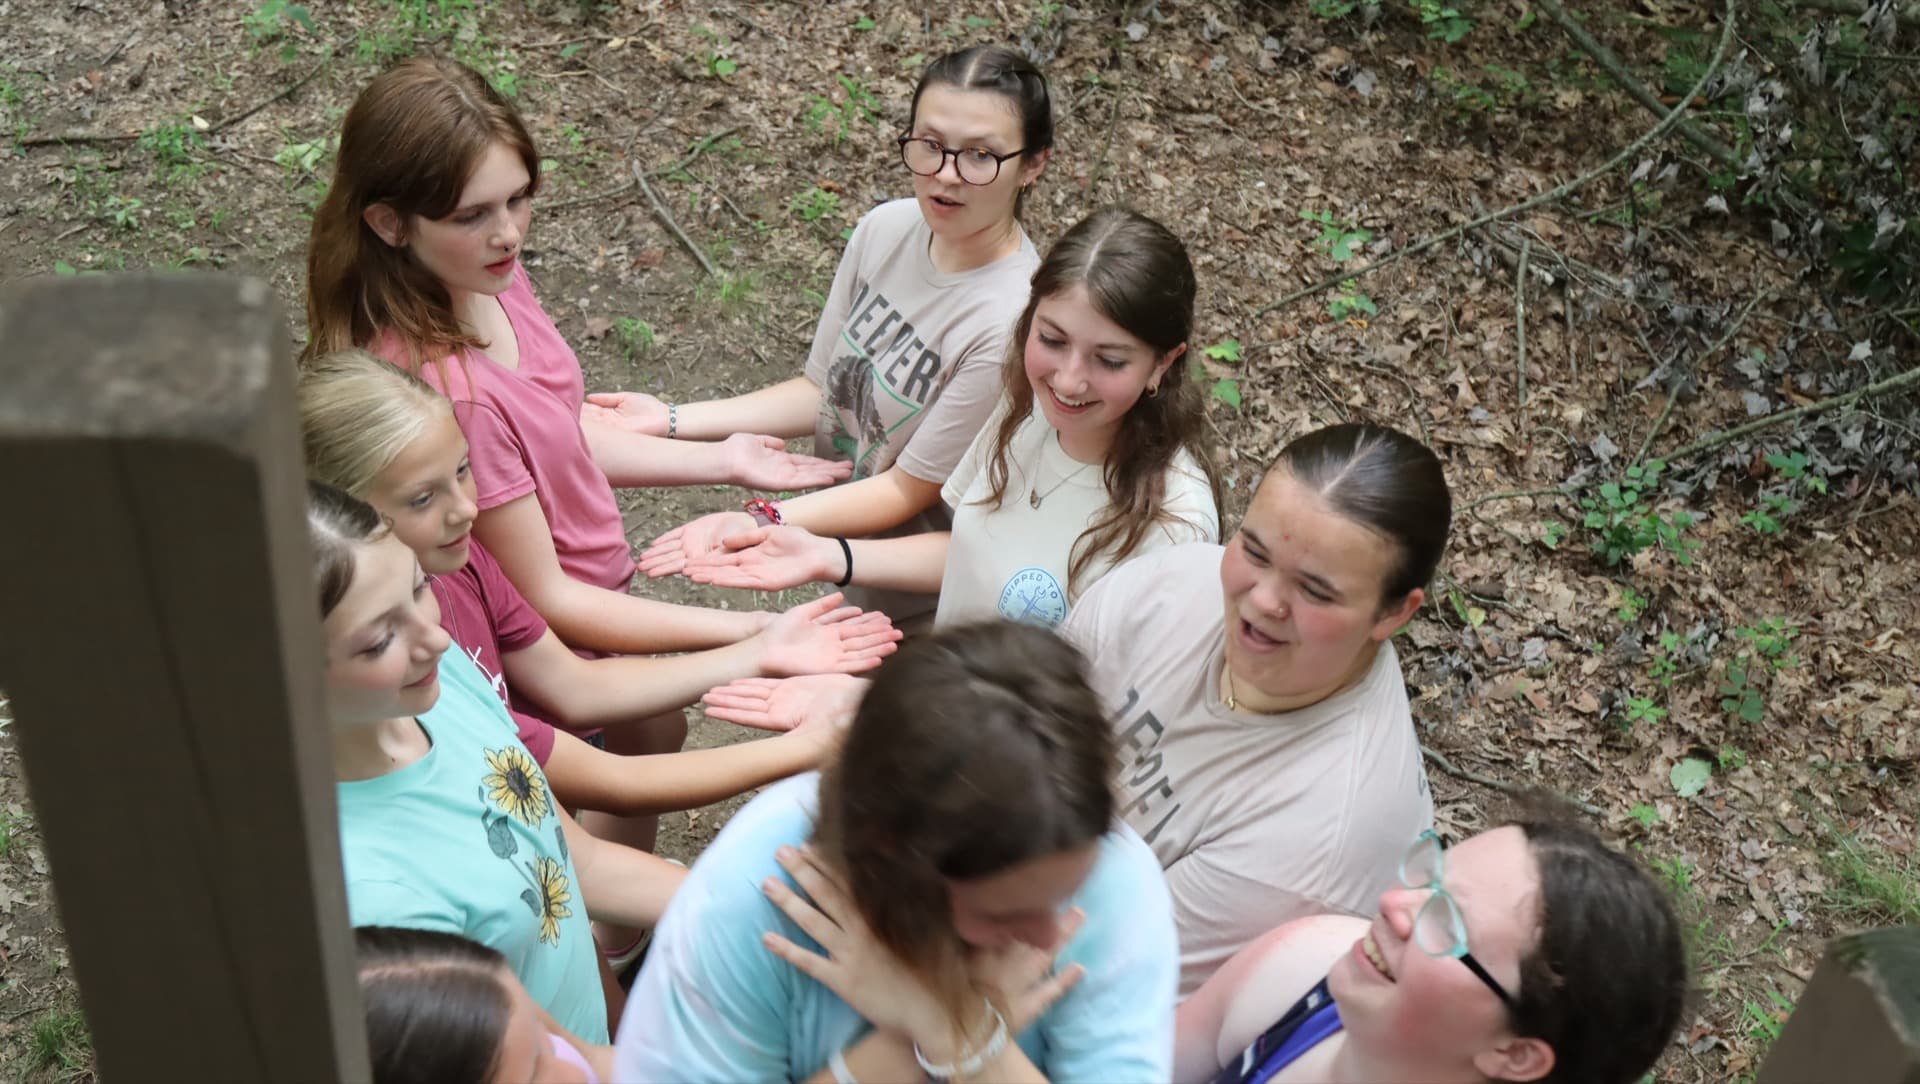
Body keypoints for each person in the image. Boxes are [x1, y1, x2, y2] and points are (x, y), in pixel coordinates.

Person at [699, 423, 1449, 998]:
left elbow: (1101, 988)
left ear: (1394, 612)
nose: (1261, 601)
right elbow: (1021, 732)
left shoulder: (1316, 838)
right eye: (1253, 551)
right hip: (1012, 893)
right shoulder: (1170, 587)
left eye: (1316, 592)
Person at [303, 55, 844, 661]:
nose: (508, 232)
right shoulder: (452, 396)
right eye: (471, 215)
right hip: (574, 645)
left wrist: (724, 458)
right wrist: (754, 635)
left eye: (517, 199)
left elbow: (551, 435)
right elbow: (547, 599)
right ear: (389, 223)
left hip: (604, 605)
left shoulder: (486, 280)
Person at [298, 347, 895, 806]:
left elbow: (575, 688)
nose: (466, 508)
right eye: (423, 497)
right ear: (337, 509)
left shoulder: (462, 561)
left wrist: (764, 645)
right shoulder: (406, 674)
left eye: (464, 470)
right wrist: (803, 742)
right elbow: (608, 783)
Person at [614, 622, 1180, 1082]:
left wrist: (966, 1043)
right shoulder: (760, 888)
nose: (1050, 937)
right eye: (1002, 913)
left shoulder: (1114, 877)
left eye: (1068, 895)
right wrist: (909, 1048)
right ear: (888, 863)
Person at [619, 45, 1054, 625]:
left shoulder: (1009, 319)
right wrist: (672, 420)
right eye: (929, 145)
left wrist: (763, 520)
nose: (947, 174)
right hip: (841, 561)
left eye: (981, 155)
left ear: (1033, 164)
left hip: (933, 609)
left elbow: (906, 491)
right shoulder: (888, 229)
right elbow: (821, 386)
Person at [677, 209, 1220, 630]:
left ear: (1163, 363)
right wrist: (822, 552)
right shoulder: (1026, 411)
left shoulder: (1175, 524)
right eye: (1052, 340)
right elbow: (968, 554)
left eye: (1109, 360)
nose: (1069, 380)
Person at [311, 481, 681, 1045]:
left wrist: (743, 906)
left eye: (420, 588)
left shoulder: (435, 682)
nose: (434, 636)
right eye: (378, 641)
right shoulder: (371, 898)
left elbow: (576, 866)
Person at [1172, 818, 1688, 1084]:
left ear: (1515, 1053)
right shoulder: (1309, 965)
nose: (1394, 904)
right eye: (1430, 877)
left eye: (1447, 923)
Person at [356, 925, 606, 1084]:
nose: (577, 1074)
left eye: (546, 1041)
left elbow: (592, 1059)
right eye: (532, 1079)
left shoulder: (522, 1042)